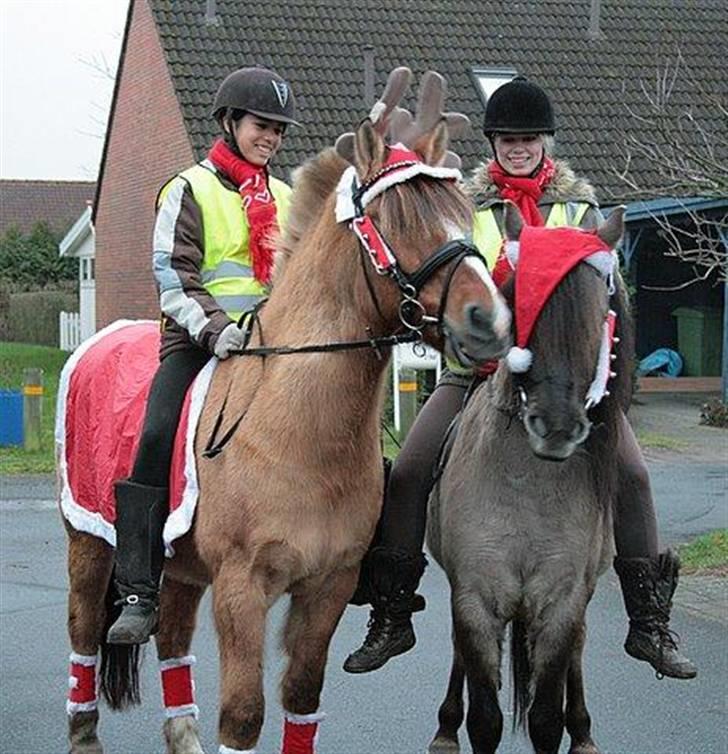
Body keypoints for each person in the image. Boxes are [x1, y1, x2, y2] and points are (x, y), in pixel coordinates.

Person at [343, 77, 697, 680]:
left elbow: (607, 301)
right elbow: (453, 286)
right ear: (494, 143)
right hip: (477, 369)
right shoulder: (464, 206)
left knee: (633, 474)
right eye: (507, 139)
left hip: (567, 377)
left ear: (545, 143)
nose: (518, 149)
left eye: (528, 139)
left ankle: (649, 622)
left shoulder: (581, 210)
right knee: (408, 468)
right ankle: (392, 614)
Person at [106, 66, 298, 645]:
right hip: (197, 344)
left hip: (274, 348)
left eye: (279, 130)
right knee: (156, 433)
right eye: (262, 125)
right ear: (229, 122)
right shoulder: (187, 188)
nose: (271, 137)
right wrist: (218, 331)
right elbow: (174, 276)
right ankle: (138, 589)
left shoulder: (287, 197)